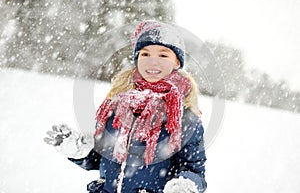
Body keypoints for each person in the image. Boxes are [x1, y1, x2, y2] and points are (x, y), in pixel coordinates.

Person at [44, 20, 207, 193]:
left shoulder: (184, 118)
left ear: (177, 63)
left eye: (163, 55)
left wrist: (186, 185)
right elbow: (102, 159)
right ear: (136, 59)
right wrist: (79, 151)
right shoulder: (118, 105)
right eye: (145, 54)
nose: (153, 62)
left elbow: (194, 171)